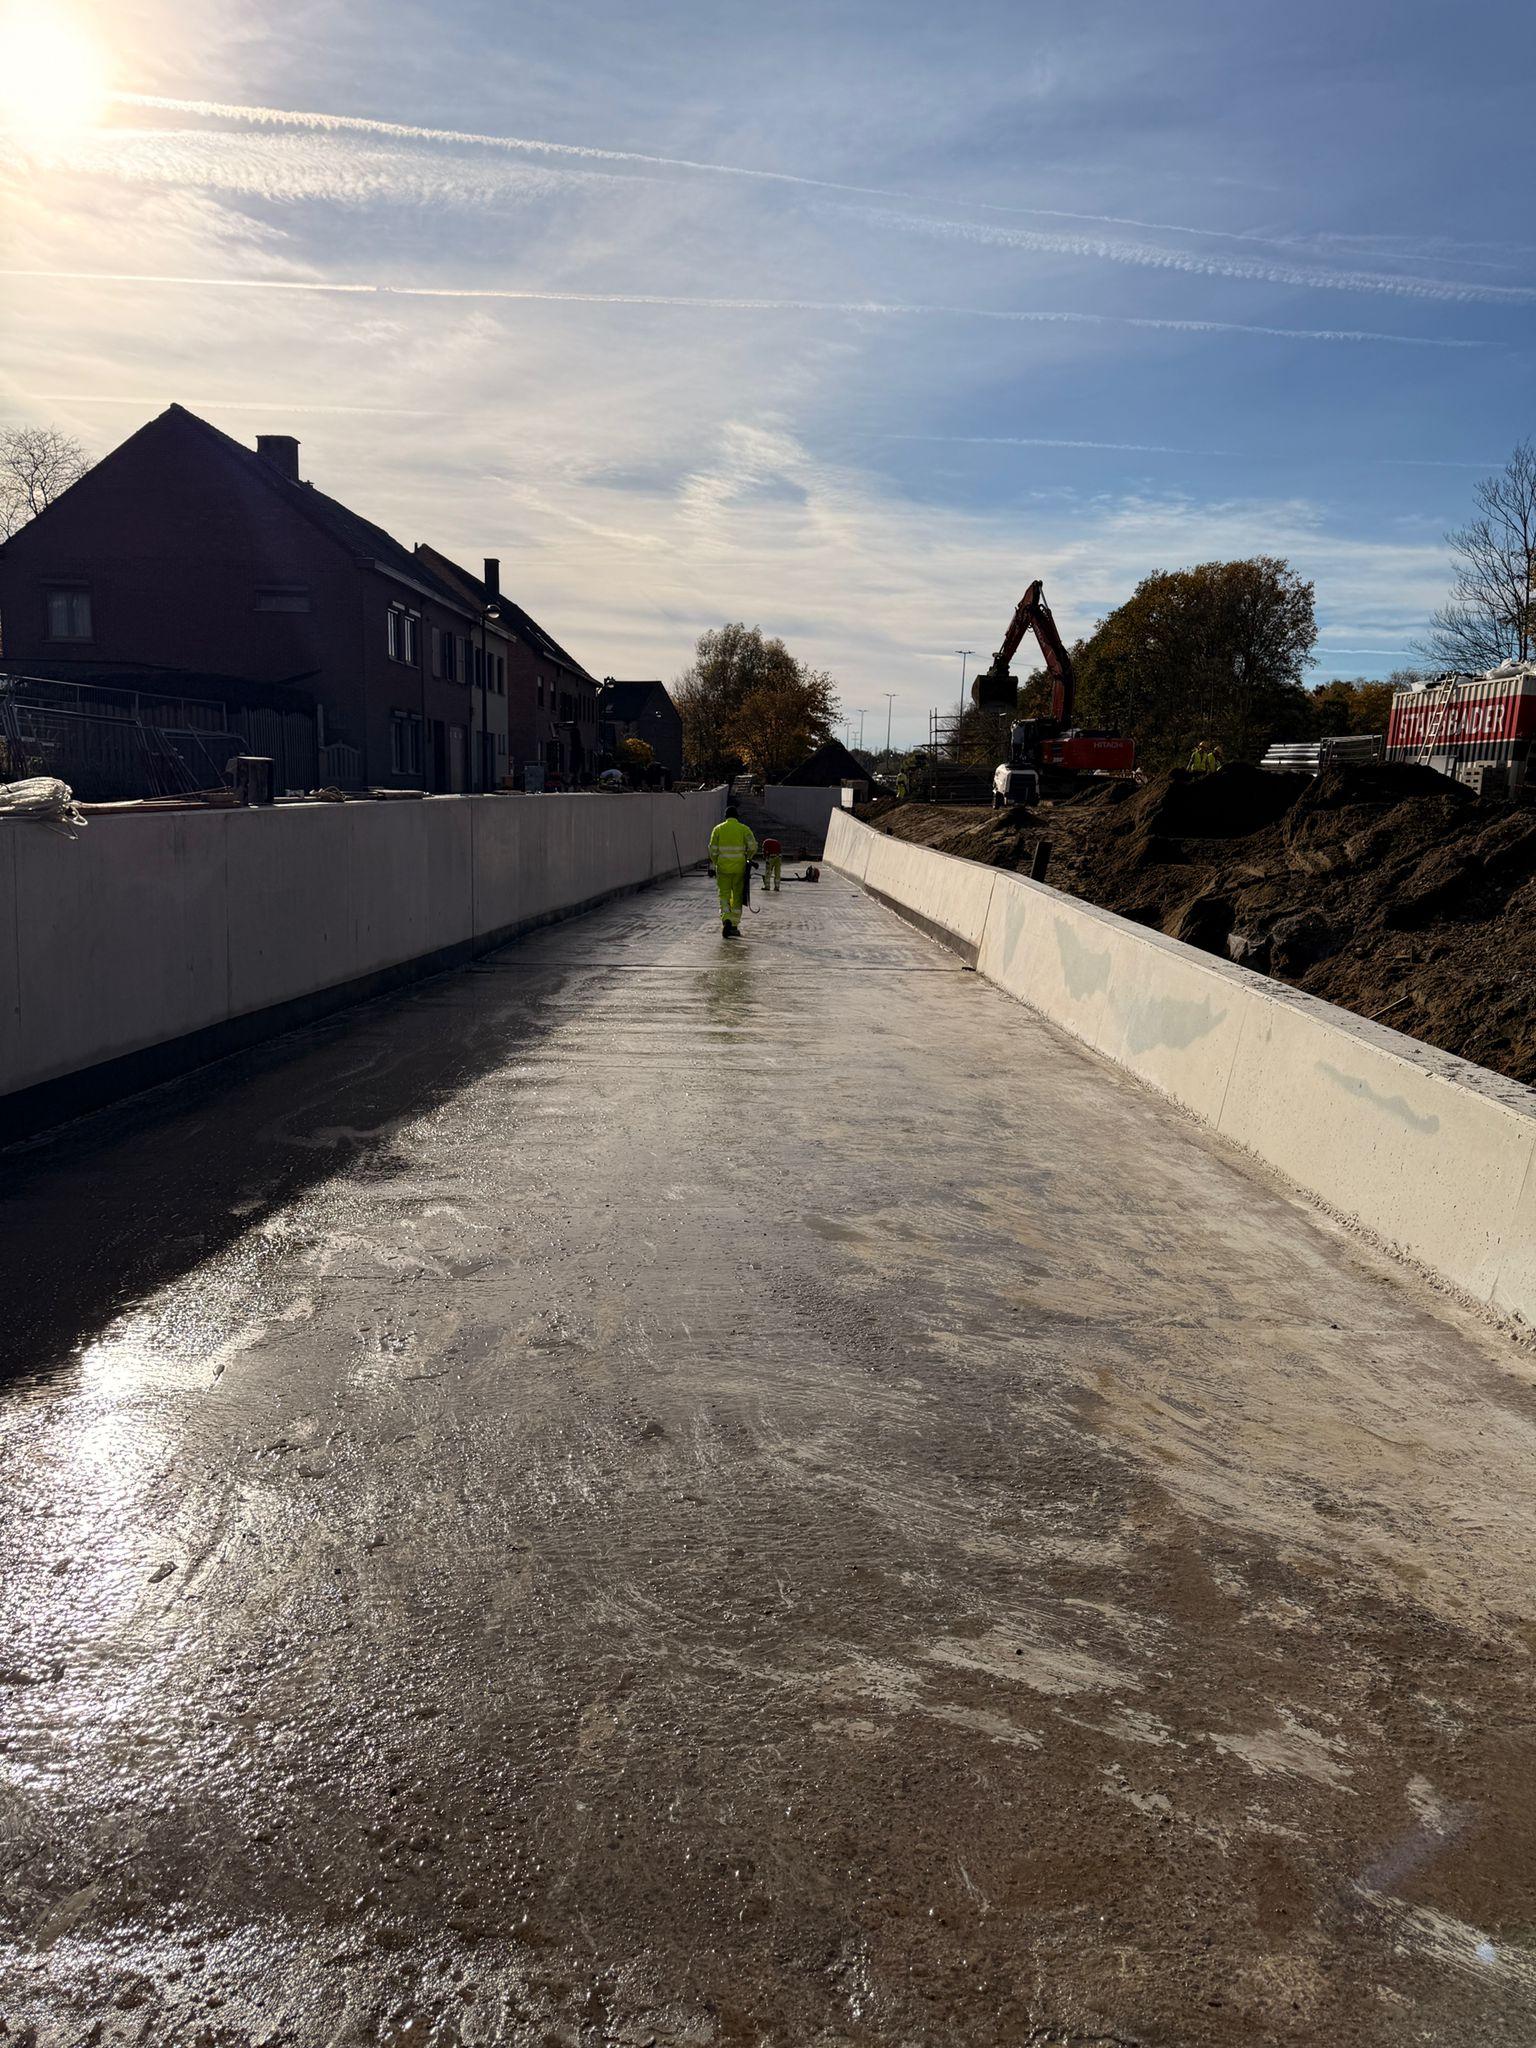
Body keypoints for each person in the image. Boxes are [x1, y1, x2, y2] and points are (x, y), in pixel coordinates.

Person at [708, 802, 758, 938]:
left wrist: (717, 862)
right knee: (737, 896)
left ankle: (726, 919)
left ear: (725, 817)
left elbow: (712, 850)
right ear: (737, 816)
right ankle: (734, 925)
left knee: (724, 895)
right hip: (739, 869)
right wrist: (748, 857)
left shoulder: (718, 829)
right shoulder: (744, 829)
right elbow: (753, 846)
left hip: (723, 868)